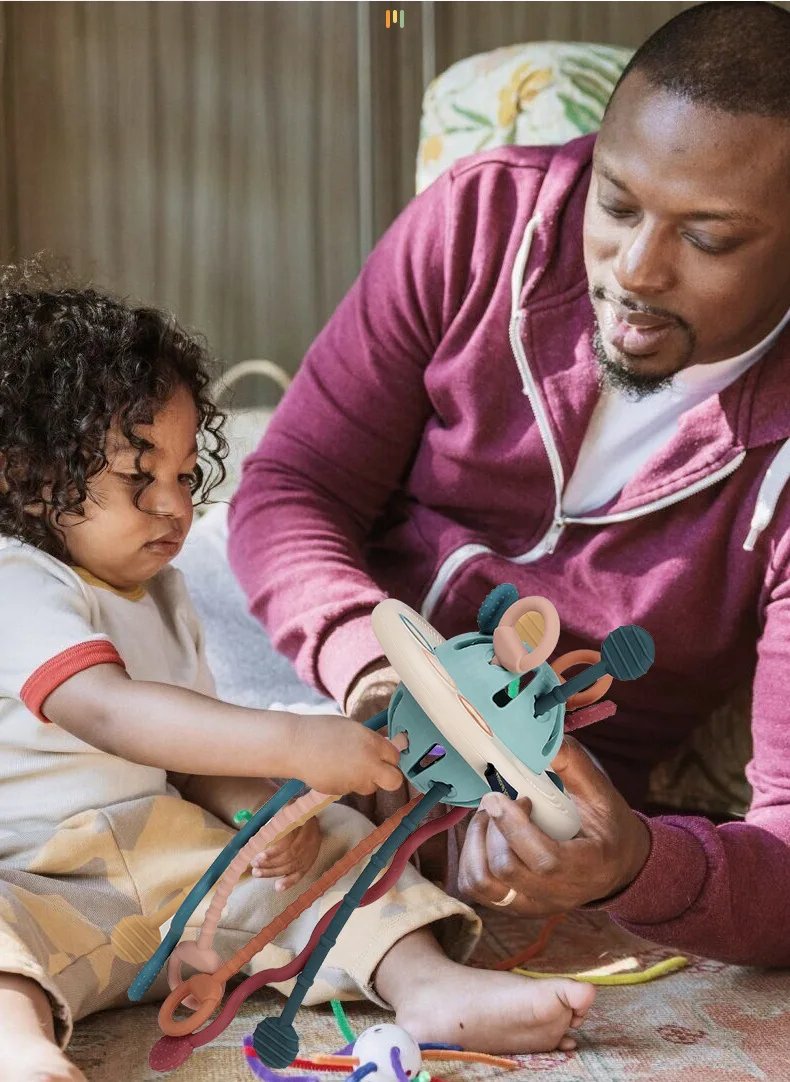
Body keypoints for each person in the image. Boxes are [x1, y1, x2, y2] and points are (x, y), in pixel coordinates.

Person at [228, 1, 790, 969]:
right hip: (298, 669)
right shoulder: (482, 219)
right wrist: (368, 659)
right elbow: (291, 483)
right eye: (615, 203)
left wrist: (634, 865)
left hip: (504, 805)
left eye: (707, 238)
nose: (635, 269)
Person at [0, 270, 597, 1082]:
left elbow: (188, 761)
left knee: (341, 840)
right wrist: (291, 738)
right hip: (40, 880)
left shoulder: (164, 595)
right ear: (30, 479)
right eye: (141, 479)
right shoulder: (17, 580)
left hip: (176, 879)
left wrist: (266, 814)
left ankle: (427, 986)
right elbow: (107, 711)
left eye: (184, 476)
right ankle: (19, 1046)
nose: (176, 507)